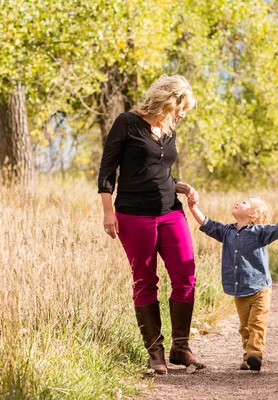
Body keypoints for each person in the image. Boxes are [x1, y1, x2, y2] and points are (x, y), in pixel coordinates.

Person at [97, 74, 205, 374]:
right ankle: (155, 352)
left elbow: (158, 169)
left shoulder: (169, 129)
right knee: (145, 279)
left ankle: (180, 348)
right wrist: (108, 211)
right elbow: (108, 170)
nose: (183, 115)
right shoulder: (127, 122)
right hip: (133, 214)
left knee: (186, 275)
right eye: (182, 107)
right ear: (170, 101)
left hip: (171, 210)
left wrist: (180, 186)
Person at [188, 196, 278, 371]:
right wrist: (193, 207)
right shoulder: (227, 231)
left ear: (253, 213)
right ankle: (248, 357)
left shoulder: (259, 232)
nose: (238, 202)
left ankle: (255, 354)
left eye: (244, 202)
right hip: (238, 288)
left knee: (257, 323)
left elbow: (277, 230)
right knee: (244, 327)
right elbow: (208, 225)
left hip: (259, 287)